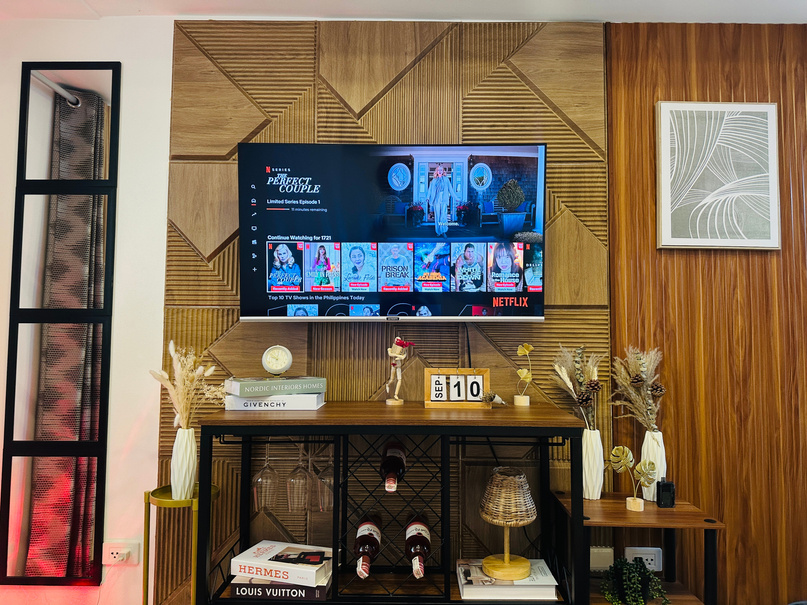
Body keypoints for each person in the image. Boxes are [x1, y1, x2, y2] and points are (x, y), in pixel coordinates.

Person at [425, 164, 459, 238]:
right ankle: (438, 231)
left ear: (443, 171)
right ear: (436, 171)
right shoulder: (434, 181)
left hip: (444, 199)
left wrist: (455, 197)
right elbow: (430, 190)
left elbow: (450, 189)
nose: (440, 171)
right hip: (436, 199)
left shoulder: (446, 180)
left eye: (441, 170)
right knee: (437, 216)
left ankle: (443, 231)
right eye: (438, 170)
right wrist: (427, 197)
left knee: (443, 216)